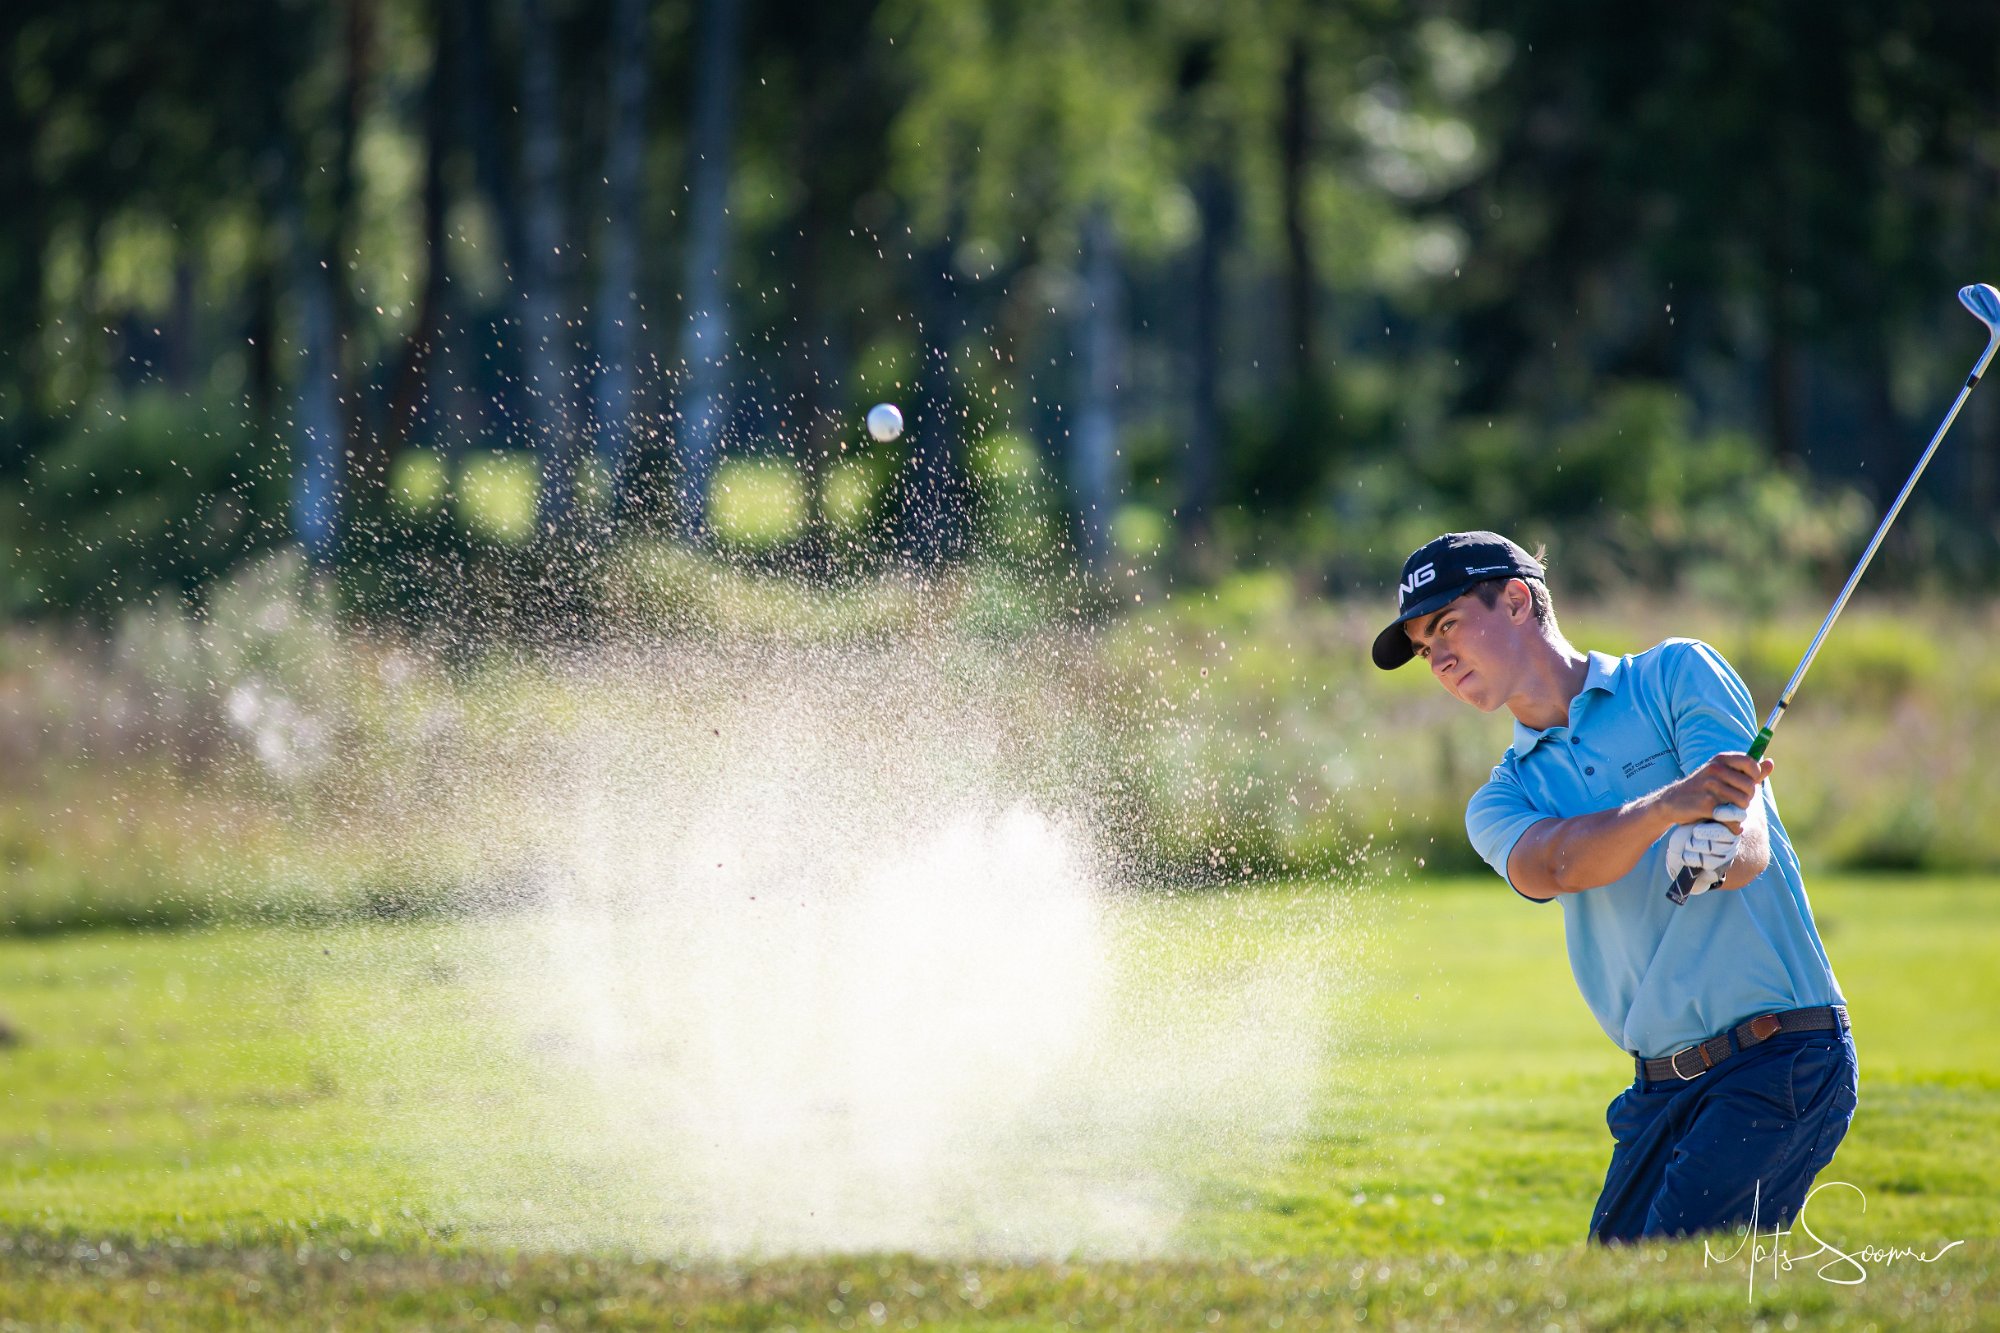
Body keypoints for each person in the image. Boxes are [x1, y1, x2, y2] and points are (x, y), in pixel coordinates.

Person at [1371, 530, 1858, 1245]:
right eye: (1422, 647)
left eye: (1446, 625)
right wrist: (1664, 809)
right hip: (1659, 1089)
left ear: (1513, 600)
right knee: (1616, 1295)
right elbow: (1558, 865)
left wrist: (1713, 840)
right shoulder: (1502, 797)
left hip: (1778, 1055)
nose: (1438, 660)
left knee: (1670, 1294)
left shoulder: (1676, 674)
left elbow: (1745, 844)